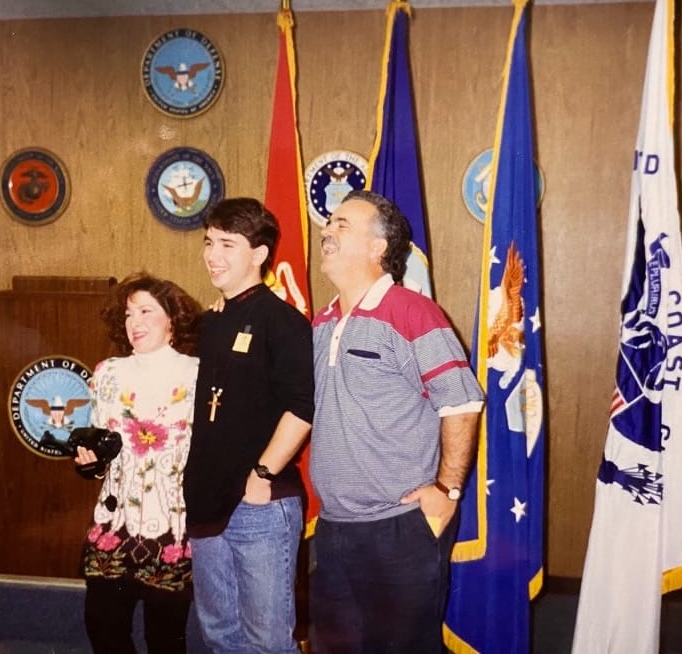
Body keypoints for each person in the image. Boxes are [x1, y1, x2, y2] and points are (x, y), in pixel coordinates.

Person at [309, 190, 485, 653]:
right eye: (329, 222)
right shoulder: (321, 321)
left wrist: (446, 491)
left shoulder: (413, 311)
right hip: (332, 529)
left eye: (342, 224)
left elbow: (462, 401)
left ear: (377, 247)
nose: (327, 230)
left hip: (400, 527)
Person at [183, 197, 315, 653]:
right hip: (207, 503)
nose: (212, 255)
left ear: (259, 254)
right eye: (208, 242)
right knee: (220, 635)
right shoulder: (209, 323)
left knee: (267, 643)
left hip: (259, 505)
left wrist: (263, 475)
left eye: (227, 244)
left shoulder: (283, 322)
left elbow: (303, 406)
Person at [74, 273, 202, 654]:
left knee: (164, 639)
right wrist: (89, 462)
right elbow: (100, 450)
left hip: (171, 527)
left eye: (147, 311)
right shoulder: (107, 373)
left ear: (172, 320)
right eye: (129, 314)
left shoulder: (198, 374)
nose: (135, 322)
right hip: (114, 524)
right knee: (103, 630)